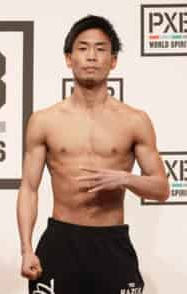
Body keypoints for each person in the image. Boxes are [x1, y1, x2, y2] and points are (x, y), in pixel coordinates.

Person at [17, 15, 169, 294]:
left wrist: (124, 178)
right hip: (61, 241)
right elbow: (29, 188)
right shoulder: (44, 121)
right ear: (68, 58)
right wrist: (26, 249)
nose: (91, 57)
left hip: (111, 243)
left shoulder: (135, 120)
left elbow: (161, 188)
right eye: (83, 48)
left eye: (100, 50)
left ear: (113, 61)